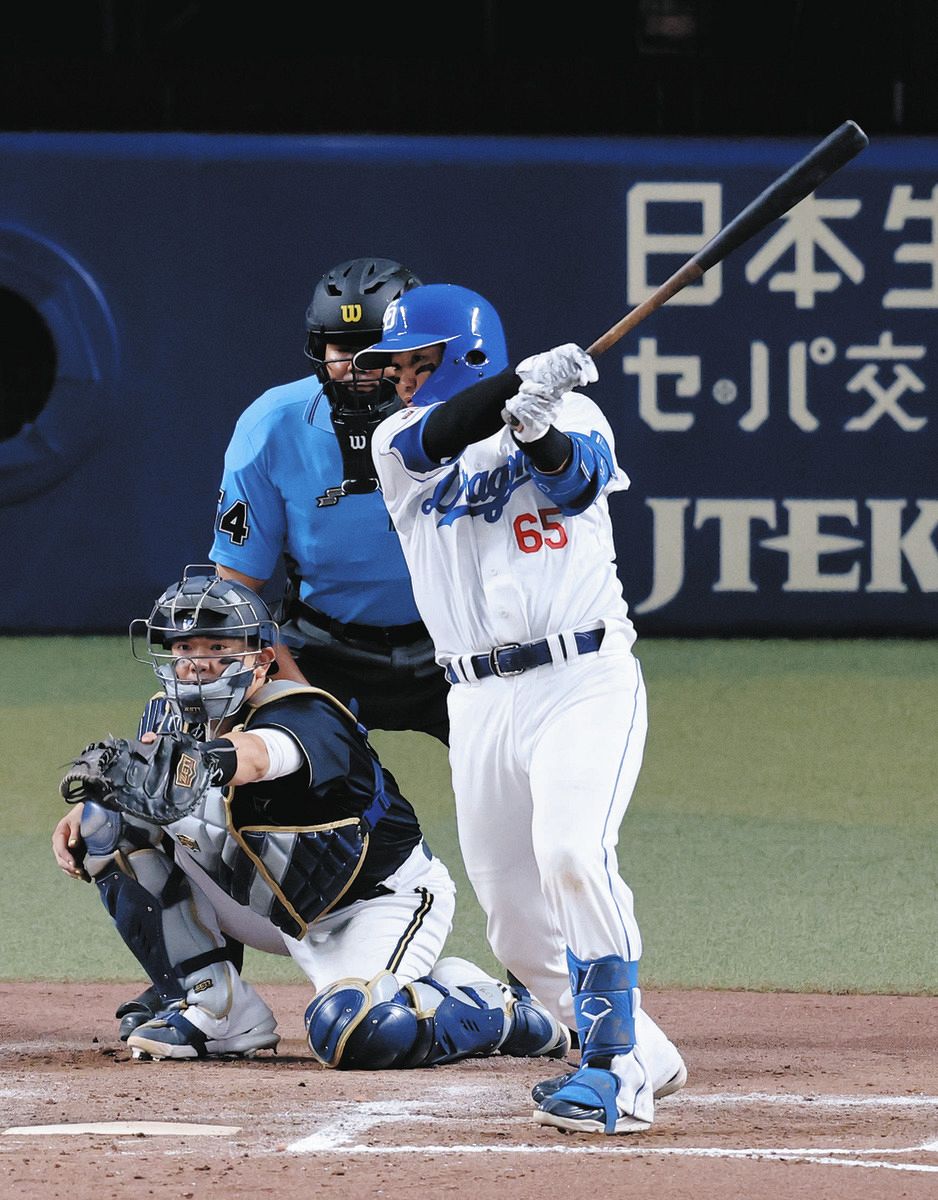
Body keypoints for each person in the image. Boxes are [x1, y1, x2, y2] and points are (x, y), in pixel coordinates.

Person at [357, 284, 686, 1134]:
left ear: (462, 353)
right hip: (476, 702)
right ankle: (647, 1050)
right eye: (394, 364)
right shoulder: (396, 443)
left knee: (573, 853)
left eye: (416, 361)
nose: (399, 378)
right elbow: (437, 435)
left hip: (582, 677)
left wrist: (538, 424)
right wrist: (513, 391)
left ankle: (614, 1072)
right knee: (516, 932)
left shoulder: (574, 412)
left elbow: (574, 485)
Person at [53, 568, 570, 1070]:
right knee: (107, 823)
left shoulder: (304, 714)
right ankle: (216, 1007)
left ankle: (495, 1010)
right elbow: (149, 790)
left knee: (356, 1031)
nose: (198, 664)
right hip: (273, 903)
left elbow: (258, 756)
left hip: (372, 904)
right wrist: (99, 805)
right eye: (185, 648)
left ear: (261, 661)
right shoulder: (166, 717)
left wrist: (201, 763)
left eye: (218, 647)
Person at [209, 255, 451, 743]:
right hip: (324, 650)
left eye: (378, 348)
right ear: (320, 350)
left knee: (528, 764)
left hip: (457, 641)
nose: (360, 368)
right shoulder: (271, 424)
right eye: (345, 348)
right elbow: (236, 592)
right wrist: (301, 703)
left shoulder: (465, 419)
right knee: (253, 748)